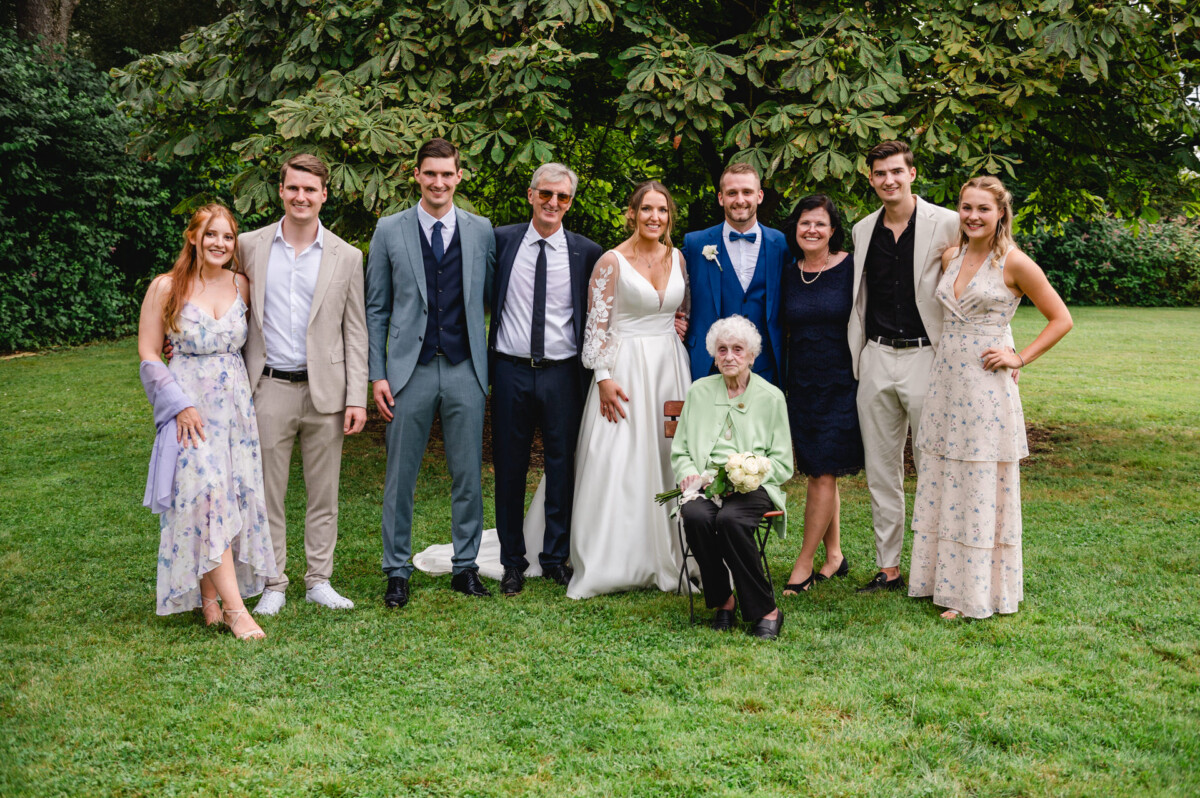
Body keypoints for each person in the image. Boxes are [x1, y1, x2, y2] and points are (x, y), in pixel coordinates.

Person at [909, 176, 1072, 619]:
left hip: (985, 386)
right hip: (946, 381)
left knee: (979, 484)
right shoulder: (950, 255)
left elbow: (1061, 319)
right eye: (966, 207)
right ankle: (939, 581)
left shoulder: (1015, 264)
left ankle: (974, 594)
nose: (973, 216)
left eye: (983, 208)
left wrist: (1018, 357)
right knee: (945, 476)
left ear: (1001, 213)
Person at [366, 138, 497, 608]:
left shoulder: (481, 230)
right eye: (430, 173)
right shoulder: (389, 230)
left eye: (447, 174)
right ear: (416, 175)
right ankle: (397, 570)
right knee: (401, 476)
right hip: (408, 372)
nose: (439, 182)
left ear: (459, 176)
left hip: (465, 368)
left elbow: (497, 301)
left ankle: (465, 567)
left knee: (468, 475)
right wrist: (377, 373)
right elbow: (376, 308)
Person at [138, 204, 276, 640]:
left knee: (225, 498)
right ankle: (238, 613)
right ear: (193, 237)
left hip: (235, 411)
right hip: (188, 413)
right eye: (211, 235)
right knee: (206, 496)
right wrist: (178, 405)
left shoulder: (243, 285)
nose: (219, 243)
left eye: (228, 237)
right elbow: (148, 353)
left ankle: (210, 599)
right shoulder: (166, 287)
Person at [240, 154, 368, 617]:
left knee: (324, 492)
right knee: (267, 491)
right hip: (268, 386)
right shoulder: (248, 246)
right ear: (281, 190)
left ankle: (319, 580)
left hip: (326, 393)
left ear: (324, 195)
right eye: (294, 188)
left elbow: (355, 332)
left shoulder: (347, 256)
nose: (301, 197)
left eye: (310, 190)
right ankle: (273, 581)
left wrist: (356, 397)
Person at [566, 181, 692, 599]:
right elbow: (595, 326)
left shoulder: (679, 258)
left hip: (670, 367)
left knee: (666, 453)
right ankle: (612, 556)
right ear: (632, 213)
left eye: (662, 210)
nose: (655, 217)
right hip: (622, 370)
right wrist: (602, 378)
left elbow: (680, 308)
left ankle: (672, 549)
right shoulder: (611, 261)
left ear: (669, 216)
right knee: (618, 456)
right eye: (647, 209)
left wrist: (679, 323)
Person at [849, 140, 961, 594]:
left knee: (934, 465)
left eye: (896, 171)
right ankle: (888, 567)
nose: (888, 180)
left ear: (912, 174)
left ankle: (935, 568)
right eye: (880, 174)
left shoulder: (949, 223)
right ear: (871, 178)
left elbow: (981, 281)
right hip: (875, 356)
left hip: (927, 356)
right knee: (881, 470)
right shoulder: (861, 229)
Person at [488, 163, 603, 595]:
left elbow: (606, 310)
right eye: (546, 194)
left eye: (563, 197)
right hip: (510, 370)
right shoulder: (499, 242)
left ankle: (555, 557)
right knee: (510, 468)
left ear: (570, 202)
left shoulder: (587, 253)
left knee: (562, 467)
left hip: (563, 375)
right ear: (531, 194)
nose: (554, 203)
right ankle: (512, 562)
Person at [672, 316, 794, 639]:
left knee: (730, 520)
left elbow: (782, 464)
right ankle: (723, 600)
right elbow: (681, 450)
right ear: (714, 355)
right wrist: (689, 475)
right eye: (722, 349)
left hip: (753, 489)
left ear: (752, 356)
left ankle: (767, 609)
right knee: (696, 515)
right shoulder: (698, 392)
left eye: (738, 350)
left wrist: (748, 475)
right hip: (704, 487)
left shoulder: (771, 398)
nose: (729, 357)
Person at [779, 195, 863, 594]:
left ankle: (804, 561)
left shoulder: (851, 267)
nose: (811, 230)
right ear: (795, 229)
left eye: (820, 224)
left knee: (822, 472)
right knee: (820, 470)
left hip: (843, 382)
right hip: (802, 384)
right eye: (804, 223)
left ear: (833, 230)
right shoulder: (789, 271)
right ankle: (835, 555)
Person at [681, 162, 789, 387]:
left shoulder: (781, 244)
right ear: (721, 198)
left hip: (765, 366)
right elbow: (670, 286)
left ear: (759, 196)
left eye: (747, 192)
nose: (740, 200)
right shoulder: (695, 244)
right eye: (732, 193)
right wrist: (668, 318)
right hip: (709, 365)